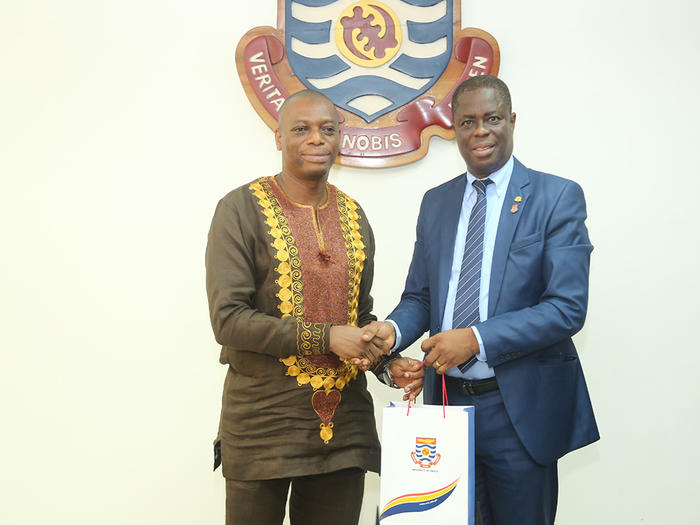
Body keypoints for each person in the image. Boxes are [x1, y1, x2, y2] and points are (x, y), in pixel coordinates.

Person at [363, 76, 599, 525]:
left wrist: (475, 339)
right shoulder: (437, 202)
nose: (480, 131)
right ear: (454, 128)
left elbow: (567, 306)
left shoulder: (556, 197)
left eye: (492, 119)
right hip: (446, 407)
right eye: (467, 121)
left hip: (520, 413)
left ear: (511, 121)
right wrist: (391, 332)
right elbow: (421, 296)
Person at [205, 90, 390, 525]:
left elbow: (359, 315)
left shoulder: (353, 215)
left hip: (342, 429)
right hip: (263, 424)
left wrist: (387, 358)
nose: (316, 139)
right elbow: (228, 319)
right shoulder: (240, 210)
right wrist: (325, 337)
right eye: (301, 129)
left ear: (340, 137)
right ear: (278, 137)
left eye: (328, 129)